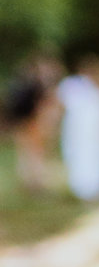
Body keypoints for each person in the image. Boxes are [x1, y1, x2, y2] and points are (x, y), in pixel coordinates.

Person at [57, 54, 99, 202]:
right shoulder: (75, 86)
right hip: (79, 133)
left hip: (98, 132)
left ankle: (96, 190)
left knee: (98, 160)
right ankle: (83, 190)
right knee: (80, 159)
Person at [4, 53, 63, 193]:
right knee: (35, 154)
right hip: (32, 123)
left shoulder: (17, 85)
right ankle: (36, 182)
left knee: (26, 153)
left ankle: (29, 181)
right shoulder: (37, 86)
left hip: (21, 123)